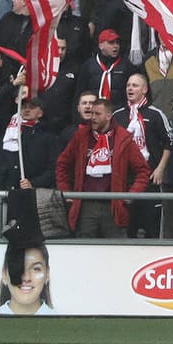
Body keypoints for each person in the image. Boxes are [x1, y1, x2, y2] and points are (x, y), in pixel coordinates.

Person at [54, 92, 150, 238]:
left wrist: (132, 194)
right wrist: (66, 192)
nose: (92, 117)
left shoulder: (124, 138)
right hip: (86, 205)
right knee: (85, 252)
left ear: (109, 116)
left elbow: (143, 170)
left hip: (114, 205)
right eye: (91, 113)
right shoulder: (80, 137)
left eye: (97, 114)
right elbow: (62, 165)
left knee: (116, 253)